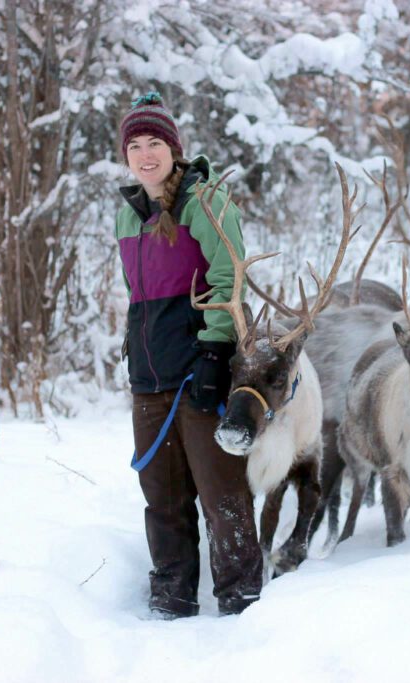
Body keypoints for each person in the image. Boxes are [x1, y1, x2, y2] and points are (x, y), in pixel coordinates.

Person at [115, 92, 262, 618]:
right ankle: (171, 599)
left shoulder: (205, 202)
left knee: (221, 495)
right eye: (135, 145)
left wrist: (216, 351)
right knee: (163, 500)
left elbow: (230, 276)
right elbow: (138, 294)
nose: (146, 154)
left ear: (174, 148)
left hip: (200, 372)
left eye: (155, 142)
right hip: (150, 379)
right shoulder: (128, 216)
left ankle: (242, 600)